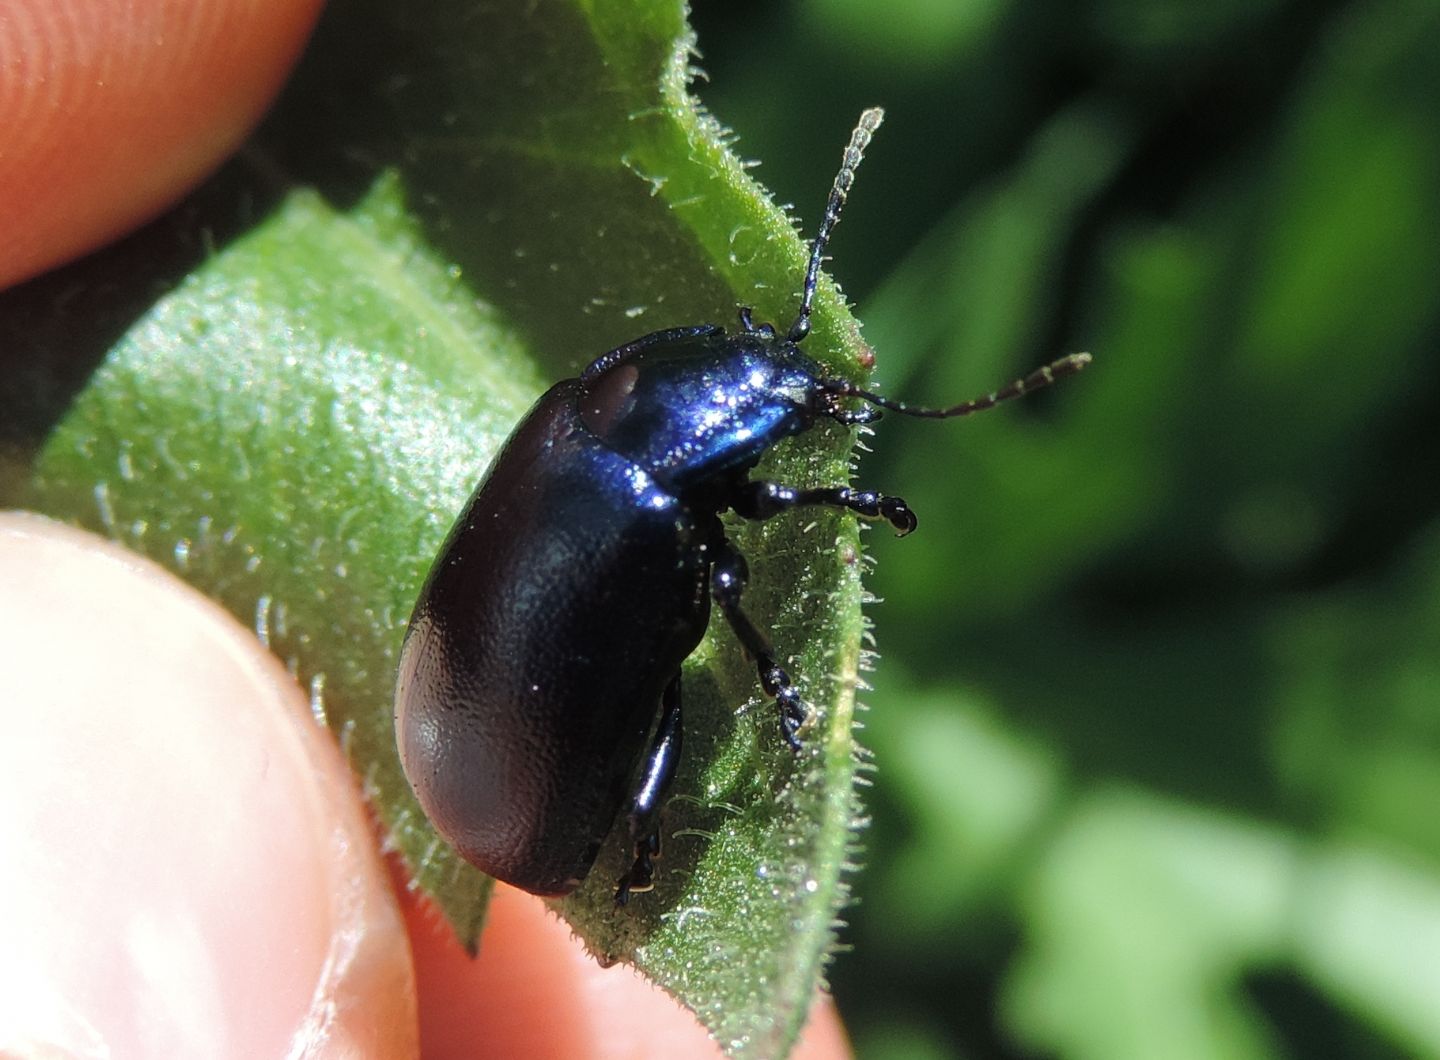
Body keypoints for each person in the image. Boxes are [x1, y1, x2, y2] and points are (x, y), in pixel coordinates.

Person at [0, 3, 848, 1055]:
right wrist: (782, 650)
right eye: (767, 392)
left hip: (479, 758)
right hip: (504, 784)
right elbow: (725, 580)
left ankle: (640, 830)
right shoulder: (634, 482)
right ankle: (640, 837)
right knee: (683, 662)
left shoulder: (589, 414)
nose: (777, 398)